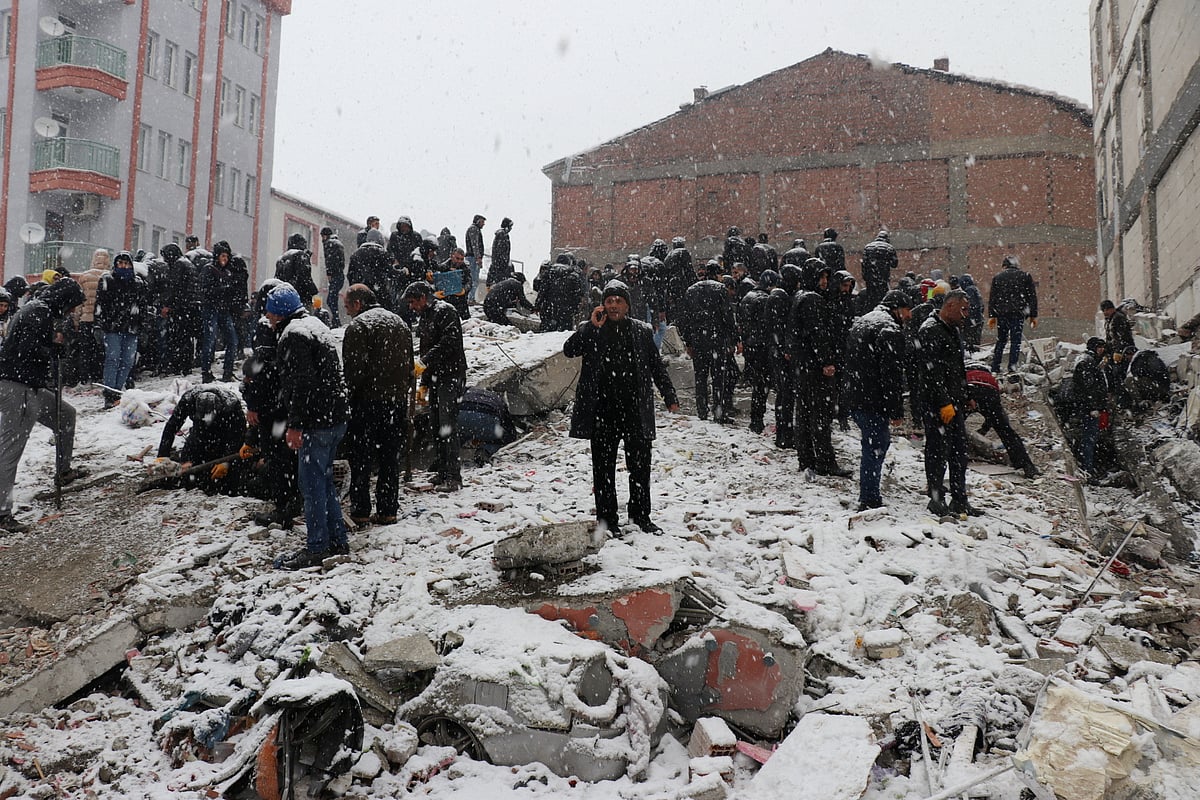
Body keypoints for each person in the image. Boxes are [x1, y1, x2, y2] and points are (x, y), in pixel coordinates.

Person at [564, 280, 679, 535]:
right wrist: (589, 327)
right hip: (602, 411)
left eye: (619, 301)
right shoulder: (592, 329)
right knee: (603, 470)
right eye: (609, 301)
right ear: (603, 305)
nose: (614, 305)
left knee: (640, 467)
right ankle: (608, 520)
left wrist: (669, 395)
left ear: (627, 305)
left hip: (634, 410)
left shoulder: (641, 331)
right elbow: (569, 350)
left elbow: (656, 367)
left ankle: (641, 516)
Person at [266, 283, 351, 569]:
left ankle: (317, 547)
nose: (267, 316)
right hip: (336, 417)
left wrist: (296, 425)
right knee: (324, 481)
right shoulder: (316, 325)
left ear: (279, 312)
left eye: (269, 311)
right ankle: (337, 539)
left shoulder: (293, 335)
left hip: (316, 422)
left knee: (312, 485)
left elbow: (301, 384)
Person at [0, 278, 88, 532]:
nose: (73, 311)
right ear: (65, 300)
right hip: (18, 386)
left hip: (31, 385)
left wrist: (51, 346)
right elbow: (26, 349)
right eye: (73, 306)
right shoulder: (38, 312)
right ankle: (2, 513)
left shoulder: (39, 308)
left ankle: (64, 470)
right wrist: (52, 348)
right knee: (10, 449)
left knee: (66, 415)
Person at [342, 284, 413, 527]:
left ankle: (361, 510)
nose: (348, 313)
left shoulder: (359, 327)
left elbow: (354, 372)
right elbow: (409, 367)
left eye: (348, 307)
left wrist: (348, 398)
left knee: (361, 458)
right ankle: (388, 510)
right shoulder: (400, 323)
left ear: (358, 304)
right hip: (396, 403)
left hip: (366, 404)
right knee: (389, 459)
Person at [842, 289, 913, 510]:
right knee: (876, 446)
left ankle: (869, 492)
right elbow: (891, 375)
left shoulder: (863, 322)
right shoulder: (889, 329)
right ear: (897, 309)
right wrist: (896, 411)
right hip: (873, 400)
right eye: (907, 310)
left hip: (855, 395)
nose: (909, 316)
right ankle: (869, 498)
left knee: (872, 445)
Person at [917, 290, 980, 516]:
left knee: (959, 454)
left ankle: (959, 499)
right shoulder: (930, 330)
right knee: (937, 452)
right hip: (937, 405)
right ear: (950, 306)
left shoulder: (952, 330)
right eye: (963, 309)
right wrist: (943, 402)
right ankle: (936, 498)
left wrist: (967, 394)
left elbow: (957, 368)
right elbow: (931, 373)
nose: (966, 315)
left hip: (955, 402)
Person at [788, 259, 850, 477]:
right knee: (820, 415)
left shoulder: (800, 296)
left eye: (826, 277)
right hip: (814, 368)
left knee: (804, 414)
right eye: (821, 277)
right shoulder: (813, 300)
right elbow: (818, 333)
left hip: (803, 366)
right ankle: (825, 461)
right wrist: (826, 361)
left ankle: (807, 459)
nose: (824, 281)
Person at [403, 280, 467, 489]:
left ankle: (453, 476)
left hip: (451, 376)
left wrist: (425, 361)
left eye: (413, 302)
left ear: (423, 297)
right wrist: (424, 382)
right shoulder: (426, 317)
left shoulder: (445, 311)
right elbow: (426, 348)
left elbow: (450, 342)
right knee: (436, 424)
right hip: (437, 377)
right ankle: (442, 470)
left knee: (447, 424)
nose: (412, 307)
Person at [155, 383, 247, 490]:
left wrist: (226, 461)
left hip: (224, 432)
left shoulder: (231, 404)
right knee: (188, 471)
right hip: (198, 433)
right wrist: (163, 455)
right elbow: (172, 426)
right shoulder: (188, 400)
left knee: (227, 477)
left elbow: (238, 434)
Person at [965, 364, 1039, 479]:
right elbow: (993, 416)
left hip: (968, 390)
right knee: (1006, 431)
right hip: (989, 393)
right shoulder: (990, 378)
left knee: (954, 426)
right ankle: (1027, 466)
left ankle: (954, 454)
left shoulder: (965, 374)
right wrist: (984, 429)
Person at [95, 252, 149, 408]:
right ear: (116, 264)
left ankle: (117, 391)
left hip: (132, 327)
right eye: (121, 263)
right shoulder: (107, 281)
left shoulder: (138, 283)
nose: (124, 266)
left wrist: (143, 326)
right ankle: (110, 393)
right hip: (112, 327)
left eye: (126, 264)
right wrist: (99, 324)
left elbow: (143, 307)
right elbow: (100, 304)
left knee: (127, 360)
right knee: (112, 359)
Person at [198, 241, 248, 383]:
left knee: (232, 340)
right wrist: (223, 290)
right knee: (210, 340)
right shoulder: (209, 269)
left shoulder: (227, 272)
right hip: (212, 308)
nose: (224, 259)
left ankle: (227, 371)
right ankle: (206, 372)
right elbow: (205, 291)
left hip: (223, 309)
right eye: (222, 256)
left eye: (226, 256)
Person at [740, 270, 777, 434]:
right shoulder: (765, 300)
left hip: (750, 345)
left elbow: (741, 321)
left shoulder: (747, 297)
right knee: (762, 385)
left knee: (758, 383)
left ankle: (756, 418)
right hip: (762, 347)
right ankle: (757, 420)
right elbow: (769, 325)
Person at [987, 255, 1038, 373]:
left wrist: (992, 316)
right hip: (1018, 314)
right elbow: (1032, 297)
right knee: (1015, 341)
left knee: (1001, 341)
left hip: (1002, 314)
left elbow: (992, 298)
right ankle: (1012, 367)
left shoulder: (998, 277)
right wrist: (1033, 315)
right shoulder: (1025, 276)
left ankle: (995, 367)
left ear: (1004, 266)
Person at [1071, 338, 1109, 478]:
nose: (1102, 350)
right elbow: (1089, 388)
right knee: (1089, 439)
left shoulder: (1090, 361)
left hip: (1088, 407)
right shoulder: (1087, 362)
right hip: (1089, 409)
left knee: (1089, 438)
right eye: (1100, 347)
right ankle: (1088, 470)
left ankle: (1087, 467)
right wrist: (1093, 407)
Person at [71, 248, 110, 386]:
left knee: (85, 350)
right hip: (102, 320)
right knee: (100, 350)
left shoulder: (85, 276)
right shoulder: (109, 276)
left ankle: (84, 377)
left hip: (86, 319)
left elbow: (78, 302)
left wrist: (76, 320)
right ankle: (98, 376)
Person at [160, 243, 199, 375]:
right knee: (187, 338)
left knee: (177, 337)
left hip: (180, 307)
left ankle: (178, 365)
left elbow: (174, 287)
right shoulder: (188, 264)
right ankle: (186, 365)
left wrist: (167, 305)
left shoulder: (178, 265)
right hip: (190, 307)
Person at [458, 386, 521, 464]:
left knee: (458, 435)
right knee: (504, 438)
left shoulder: (466, 391)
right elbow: (509, 429)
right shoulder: (497, 399)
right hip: (487, 417)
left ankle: (451, 452)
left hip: (461, 414)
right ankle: (485, 451)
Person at [348, 227, 394, 312]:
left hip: (360, 294)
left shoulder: (356, 254)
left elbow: (350, 275)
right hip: (379, 293)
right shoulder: (382, 254)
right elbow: (390, 272)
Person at [275, 233, 318, 307]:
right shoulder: (300, 255)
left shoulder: (281, 258)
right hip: (300, 296)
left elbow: (277, 279)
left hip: (284, 297)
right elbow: (305, 276)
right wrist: (313, 291)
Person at [860, 230, 897, 311]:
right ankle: (881, 311)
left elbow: (863, 263)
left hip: (870, 278)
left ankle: (871, 312)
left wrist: (865, 276)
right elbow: (894, 264)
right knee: (882, 298)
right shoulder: (889, 247)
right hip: (883, 278)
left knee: (871, 299)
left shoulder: (868, 247)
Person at [321, 227, 346, 327]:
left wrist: (329, 273)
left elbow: (330, 260)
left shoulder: (329, 244)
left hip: (335, 275)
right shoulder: (338, 244)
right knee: (333, 299)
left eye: (322, 236)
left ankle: (336, 321)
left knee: (331, 300)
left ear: (325, 235)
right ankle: (336, 320)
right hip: (339, 275)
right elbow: (340, 261)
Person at [388, 216, 422, 282]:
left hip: (413, 267)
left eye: (406, 226)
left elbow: (420, 250)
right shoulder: (395, 236)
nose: (404, 228)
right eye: (402, 226)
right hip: (399, 267)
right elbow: (390, 250)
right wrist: (394, 260)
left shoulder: (416, 236)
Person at [464, 214, 486, 304]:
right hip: (473, 258)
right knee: (474, 280)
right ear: (477, 221)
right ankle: (470, 299)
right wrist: (478, 257)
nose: (483, 224)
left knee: (473, 279)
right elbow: (475, 244)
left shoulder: (474, 229)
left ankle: (470, 298)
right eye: (482, 222)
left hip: (472, 257)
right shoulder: (474, 229)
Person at [487, 217, 515, 288]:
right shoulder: (502, 235)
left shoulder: (501, 234)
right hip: (500, 266)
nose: (511, 229)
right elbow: (501, 251)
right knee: (501, 285)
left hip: (499, 265)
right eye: (510, 226)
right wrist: (504, 262)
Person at [959, 274, 984, 349]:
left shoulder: (969, 290)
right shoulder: (974, 289)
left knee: (970, 339)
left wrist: (970, 317)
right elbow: (980, 305)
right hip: (978, 318)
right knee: (976, 339)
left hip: (973, 319)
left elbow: (972, 305)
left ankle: (973, 352)